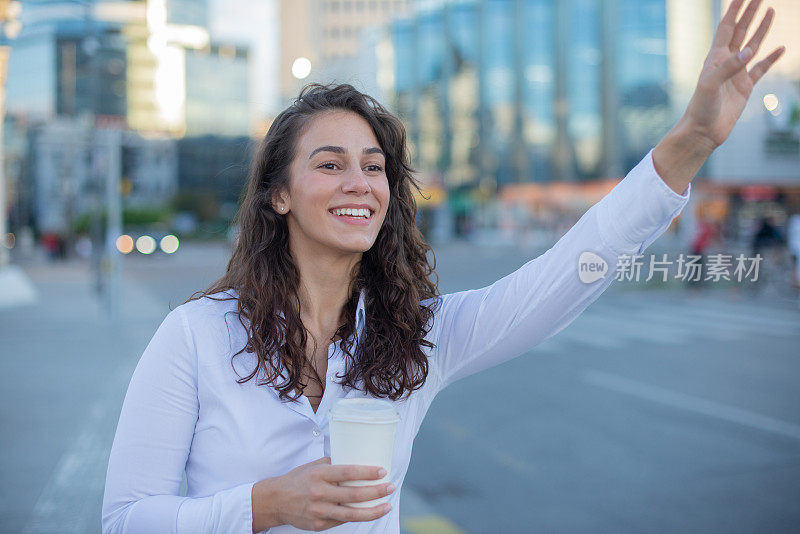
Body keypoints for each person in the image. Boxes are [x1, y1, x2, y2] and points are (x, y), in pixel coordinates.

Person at [102, 1, 785, 532]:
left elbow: (566, 273)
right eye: (330, 164)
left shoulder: (414, 337)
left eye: (374, 168)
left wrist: (691, 141)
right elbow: (126, 518)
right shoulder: (196, 335)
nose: (359, 183)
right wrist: (263, 506)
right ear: (278, 194)